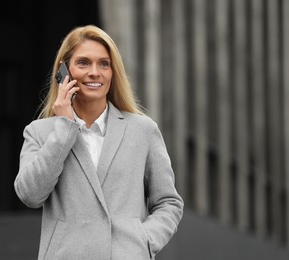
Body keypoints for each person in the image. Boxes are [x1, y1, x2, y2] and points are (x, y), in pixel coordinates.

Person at [14, 24, 184, 260]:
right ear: (64, 71)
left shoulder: (143, 131)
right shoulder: (39, 132)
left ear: (113, 72)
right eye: (83, 63)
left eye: (104, 63)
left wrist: (142, 241)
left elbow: (168, 202)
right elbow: (30, 195)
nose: (95, 72)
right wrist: (64, 129)